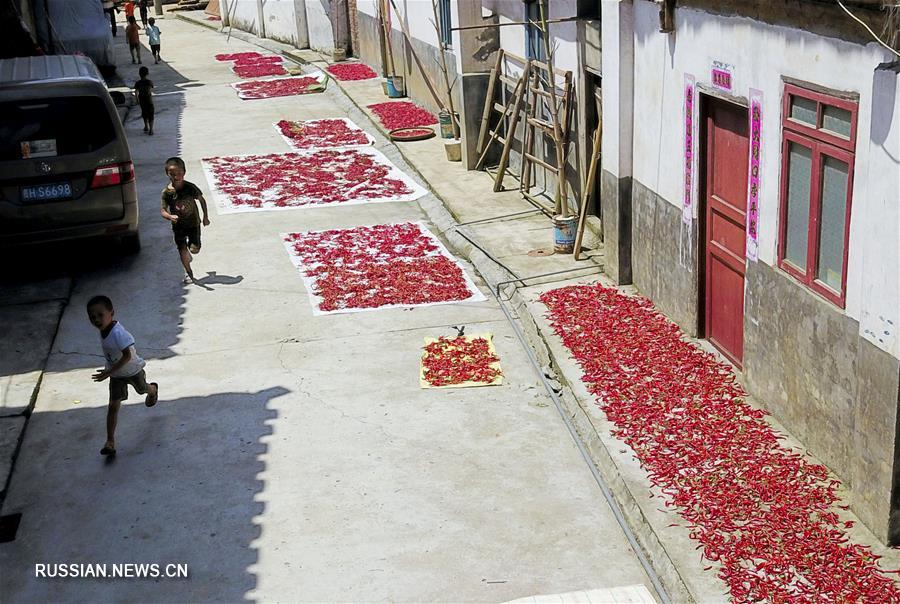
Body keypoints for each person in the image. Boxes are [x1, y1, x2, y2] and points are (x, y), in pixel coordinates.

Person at [87, 295, 159, 457]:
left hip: (132, 371)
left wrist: (108, 372)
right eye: (92, 317)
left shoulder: (118, 333)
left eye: (100, 315)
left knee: (142, 389)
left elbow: (127, 356)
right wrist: (111, 372)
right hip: (116, 376)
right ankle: (110, 441)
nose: (96, 320)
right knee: (113, 405)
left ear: (111, 313)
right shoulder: (103, 330)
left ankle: (153, 390)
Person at [160, 157, 211, 284]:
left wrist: (205, 216)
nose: (176, 176)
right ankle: (188, 272)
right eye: (172, 174)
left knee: (194, 249)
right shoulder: (167, 193)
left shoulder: (190, 187)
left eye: (179, 173)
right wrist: (170, 216)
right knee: (182, 250)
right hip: (178, 227)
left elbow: (202, 200)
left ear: (184, 172)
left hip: (193, 224)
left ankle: (190, 251)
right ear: (167, 174)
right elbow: (163, 210)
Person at [134, 66, 154, 135]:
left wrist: (137, 100)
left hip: (142, 100)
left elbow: (136, 92)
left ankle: (146, 126)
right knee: (151, 114)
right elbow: (150, 89)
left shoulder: (138, 83)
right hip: (149, 100)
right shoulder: (149, 82)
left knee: (144, 113)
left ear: (139, 74)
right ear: (147, 73)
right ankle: (151, 130)